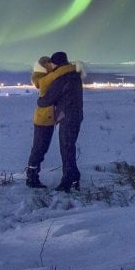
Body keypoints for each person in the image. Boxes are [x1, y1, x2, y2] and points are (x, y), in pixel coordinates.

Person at [36, 50, 85, 191]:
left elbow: (48, 99)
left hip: (67, 117)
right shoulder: (74, 76)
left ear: (55, 63)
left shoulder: (62, 78)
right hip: (76, 116)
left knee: (67, 149)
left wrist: (40, 100)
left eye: (51, 63)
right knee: (70, 147)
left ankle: (67, 181)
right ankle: (74, 179)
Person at [25, 55, 76, 188]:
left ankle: (32, 175)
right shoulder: (44, 79)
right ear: (44, 67)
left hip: (48, 118)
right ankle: (31, 177)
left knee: (41, 149)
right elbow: (57, 75)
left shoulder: (47, 77)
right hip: (43, 119)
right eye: (48, 64)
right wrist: (69, 67)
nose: (51, 65)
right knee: (39, 148)